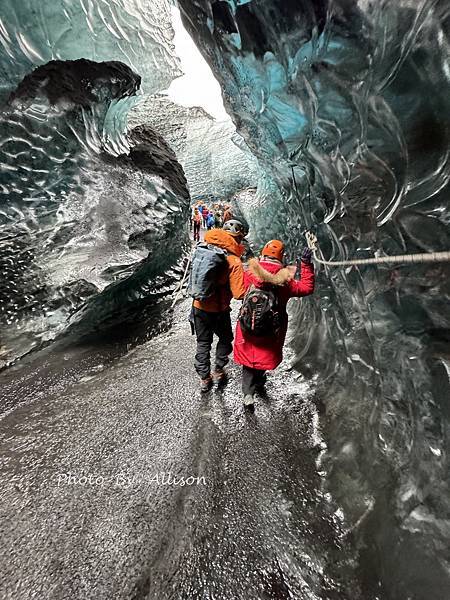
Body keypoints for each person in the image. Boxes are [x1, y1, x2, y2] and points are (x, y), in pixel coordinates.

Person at [233, 240, 315, 408]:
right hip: (272, 330)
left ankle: (248, 394)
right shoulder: (285, 281)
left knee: (249, 358)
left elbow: (239, 292)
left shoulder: (249, 273)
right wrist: (306, 264)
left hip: (248, 326)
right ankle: (260, 380)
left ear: (262, 254)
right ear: (281, 257)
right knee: (263, 355)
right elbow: (306, 288)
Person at [191, 220, 247, 392]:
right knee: (225, 338)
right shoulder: (234, 261)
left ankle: (204, 378)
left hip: (198, 306)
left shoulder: (203, 248)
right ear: (238, 238)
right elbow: (239, 293)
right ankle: (218, 369)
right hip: (218, 310)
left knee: (203, 342)